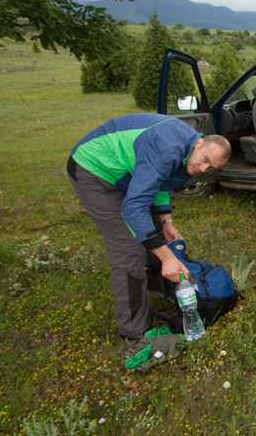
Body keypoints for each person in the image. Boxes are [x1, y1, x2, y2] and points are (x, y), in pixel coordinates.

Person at [66, 113, 231, 338]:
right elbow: (133, 209)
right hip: (93, 169)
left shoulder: (188, 155)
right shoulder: (167, 148)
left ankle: (163, 290)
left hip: (128, 173)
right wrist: (166, 257)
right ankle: (133, 331)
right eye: (204, 160)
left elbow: (163, 183)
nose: (203, 170)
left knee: (156, 236)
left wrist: (166, 221)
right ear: (199, 142)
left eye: (210, 167)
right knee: (128, 250)